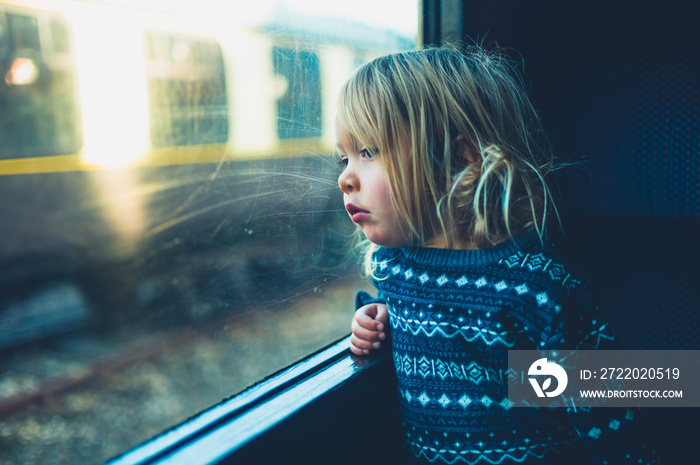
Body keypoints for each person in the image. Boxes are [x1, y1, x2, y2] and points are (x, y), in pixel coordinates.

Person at [337, 46, 659, 464]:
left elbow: (611, 416)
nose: (344, 177)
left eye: (368, 152)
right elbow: (399, 312)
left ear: (457, 159)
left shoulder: (538, 289)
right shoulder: (395, 267)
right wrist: (370, 320)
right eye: (342, 157)